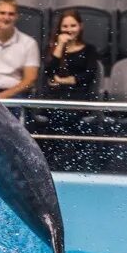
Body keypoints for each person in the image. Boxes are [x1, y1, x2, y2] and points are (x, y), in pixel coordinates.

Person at [38, 10, 100, 170]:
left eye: (73, 25)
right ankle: (50, 164)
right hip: (56, 97)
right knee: (50, 116)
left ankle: (75, 164)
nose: (69, 29)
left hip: (79, 97)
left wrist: (65, 80)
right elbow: (48, 73)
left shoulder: (89, 50)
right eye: (65, 26)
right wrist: (59, 47)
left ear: (80, 27)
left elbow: (88, 75)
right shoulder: (52, 49)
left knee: (67, 115)